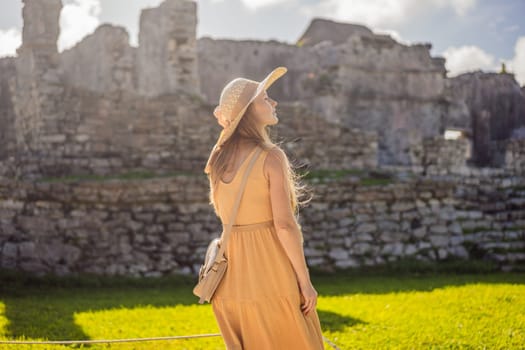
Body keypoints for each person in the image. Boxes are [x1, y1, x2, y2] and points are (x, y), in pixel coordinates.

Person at [203, 67, 324, 349]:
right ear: (248, 112)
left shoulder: (217, 159)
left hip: (230, 281)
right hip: (271, 273)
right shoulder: (271, 157)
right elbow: (284, 225)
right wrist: (305, 282)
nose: (274, 103)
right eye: (265, 98)